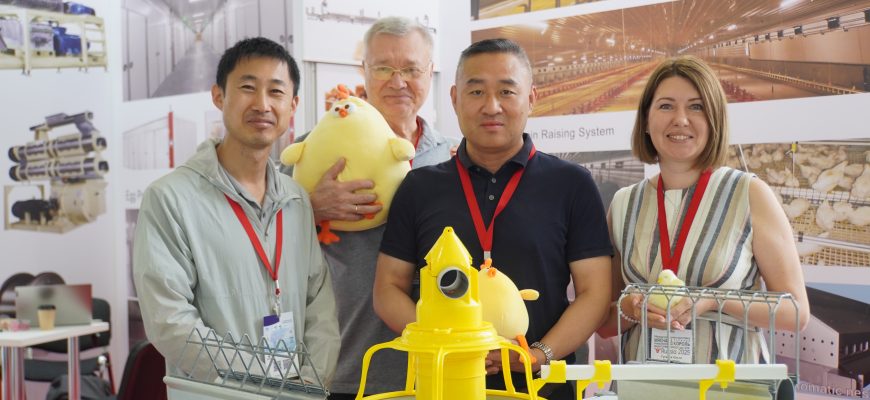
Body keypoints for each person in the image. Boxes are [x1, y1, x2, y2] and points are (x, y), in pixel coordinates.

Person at [372, 38, 612, 400]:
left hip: (542, 387)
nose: (491, 106)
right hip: (443, 385)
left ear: (531, 98)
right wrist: (448, 343)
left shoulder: (571, 184)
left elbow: (595, 292)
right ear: (455, 98)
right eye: (476, 91)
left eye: (506, 91)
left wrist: (537, 355)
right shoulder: (420, 187)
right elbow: (388, 288)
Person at [133, 37, 339, 384]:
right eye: (247, 88)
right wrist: (263, 385)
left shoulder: (296, 200)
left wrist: (309, 384)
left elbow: (319, 305)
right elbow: (169, 321)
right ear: (219, 96)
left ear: (293, 105)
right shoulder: (170, 199)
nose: (262, 104)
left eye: (276, 91)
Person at [596, 55, 809, 364]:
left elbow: (796, 312)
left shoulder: (748, 194)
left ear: (714, 120)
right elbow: (603, 321)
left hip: (729, 384)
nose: (680, 119)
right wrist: (631, 308)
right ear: (645, 121)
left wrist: (713, 300)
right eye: (666, 106)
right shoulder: (624, 204)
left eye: (696, 107)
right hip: (643, 383)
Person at [287, 17, 457, 399]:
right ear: (363, 70)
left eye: (411, 69)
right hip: (343, 366)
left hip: (439, 368)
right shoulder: (311, 151)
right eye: (383, 68)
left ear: (430, 72)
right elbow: (260, 239)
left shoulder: (452, 156)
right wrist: (309, 208)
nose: (398, 82)